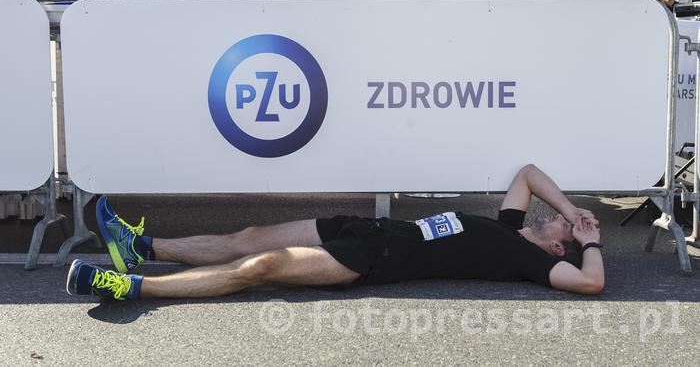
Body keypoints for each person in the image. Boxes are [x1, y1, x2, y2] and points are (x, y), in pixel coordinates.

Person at [66, 164, 604, 301]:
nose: (553, 216)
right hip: (363, 227)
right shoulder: (510, 224)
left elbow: (590, 285)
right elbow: (529, 174)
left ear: (558, 247)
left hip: (374, 259)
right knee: (250, 236)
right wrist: (575, 210)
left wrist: (592, 241)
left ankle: (132, 286)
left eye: (560, 225)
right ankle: (137, 247)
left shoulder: (527, 259)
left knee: (261, 269)